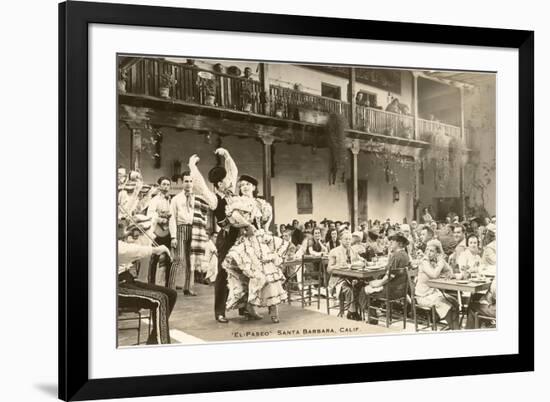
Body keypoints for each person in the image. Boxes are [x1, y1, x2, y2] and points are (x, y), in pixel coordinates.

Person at [222, 174, 290, 323]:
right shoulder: (238, 202)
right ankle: (250, 307)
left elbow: (266, 223)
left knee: (270, 274)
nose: (244, 187)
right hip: (246, 241)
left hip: (261, 241)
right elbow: (234, 217)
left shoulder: (262, 204)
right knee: (253, 275)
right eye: (241, 185)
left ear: (253, 187)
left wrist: (264, 232)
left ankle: (273, 309)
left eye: (247, 184)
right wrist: (248, 225)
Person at [117, 218, 177, 345]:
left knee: (171, 294)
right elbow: (124, 250)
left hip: (127, 279)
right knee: (160, 299)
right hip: (118, 285)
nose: (122, 228)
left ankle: (154, 341)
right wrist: (154, 250)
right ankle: (162, 346)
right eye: (119, 225)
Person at [169, 158, 217, 295]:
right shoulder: (176, 199)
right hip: (181, 229)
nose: (189, 184)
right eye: (186, 181)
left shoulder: (198, 198)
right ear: (181, 182)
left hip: (195, 229)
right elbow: (172, 217)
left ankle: (188, 287)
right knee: (178, 259)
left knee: (191, 260)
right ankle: (170, 288)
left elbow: (206, 211)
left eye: (191, 181)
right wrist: (173, 236)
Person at [206, 147, 241, 323]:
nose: (230, 180)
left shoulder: (231, 192)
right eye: (226, 180)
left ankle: (244, 308)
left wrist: (227, 154)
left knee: (245, 269)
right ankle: (220, 311)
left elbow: (233, 170)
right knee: (223, 273)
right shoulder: (215, 199)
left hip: (241, 235)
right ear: (219, 184)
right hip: (226, 238)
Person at [414, 239, 460, 330]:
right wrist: (440, 264)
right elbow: (434, 275)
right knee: (445, 304)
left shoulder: (436, 261)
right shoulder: (424, 262)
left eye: (431, 251)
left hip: (434, 293)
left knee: (454, 302)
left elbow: (450, 272)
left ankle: (454, 327)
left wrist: (442, 260)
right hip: (423, 296)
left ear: (437, 253)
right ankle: (455, 329)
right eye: (427, 250)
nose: (428, 253)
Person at [360, 232, 410, 312]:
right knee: (373, 282)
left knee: (364, 289)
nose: (390, 243)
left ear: (400, 244)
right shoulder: (405, 255)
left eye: (393, 242)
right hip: (401, 290)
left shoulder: (396, 256)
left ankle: (371, 316)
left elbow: (389, 277)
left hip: (390, 291)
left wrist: (378, 284)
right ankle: (376, 309)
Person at [327, 231, 365, 320]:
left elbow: (360, 260)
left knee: (363, 285)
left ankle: (361, 309)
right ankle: (352, 312)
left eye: (349, 239)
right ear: (340, 240)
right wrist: (339, 266)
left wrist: (363, 261)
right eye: (346, 239)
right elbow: (329, 269)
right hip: (338, 279)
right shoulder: (334, 251)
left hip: (351, 277)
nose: (348, 241)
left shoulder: (353, 250)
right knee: (349, 289)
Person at [146, 176, 173, 287]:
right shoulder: (154, 200)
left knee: (168, 258)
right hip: (157, 231)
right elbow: (150, 214)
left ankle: (167, 285)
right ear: (159, 185)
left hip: (168, 232)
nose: (166, 187)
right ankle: (151, 283)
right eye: (164, 184)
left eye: (168, 184)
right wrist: (159, 218)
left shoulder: (171, 200)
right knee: (154, 257)